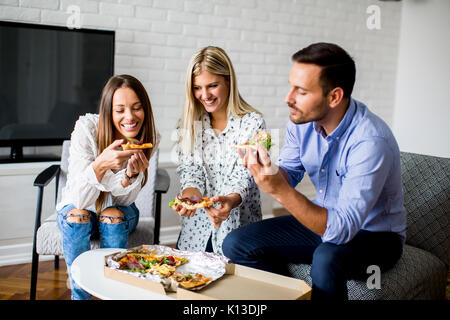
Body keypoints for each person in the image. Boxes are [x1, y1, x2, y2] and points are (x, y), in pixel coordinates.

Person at [222, 42, 407, 300]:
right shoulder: (301, 122)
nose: (288, 98)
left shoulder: (371, 142)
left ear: (334, 97)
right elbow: (290, 171)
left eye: (301, 91)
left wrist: (280, 190)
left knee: (326, 257)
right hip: (324, 218)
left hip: (376, 236)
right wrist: (267, 170)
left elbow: (340, 231)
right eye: (291, 86)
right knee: (236, 243)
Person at [56, 74, 159, 300]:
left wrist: (130, 175)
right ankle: (80, 295)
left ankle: (113, 292)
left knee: (112, 214)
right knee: (78, 215)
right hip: (78, 207)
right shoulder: (86, 130)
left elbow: (124, 201)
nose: (130, 117)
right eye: (120, 109)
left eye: (137, 108)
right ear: (108, 111)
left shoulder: (149, 137)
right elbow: (80, 199)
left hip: (120, 211)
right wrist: (101, 164)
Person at [172, 46, 265, 254]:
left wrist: (230, 200)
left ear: (228, 81)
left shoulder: (254, 123)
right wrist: (190, 195)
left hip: (238, 233)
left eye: (212, 86)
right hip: (195, 233)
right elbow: (190, 171)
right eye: (197, 88)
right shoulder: (187, 124)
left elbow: (247, 176)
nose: (204, 95)